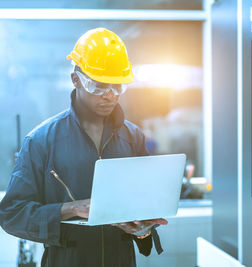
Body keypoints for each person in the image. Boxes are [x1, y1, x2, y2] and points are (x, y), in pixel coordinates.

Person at [0, 28, 168, 267]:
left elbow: (143, 206)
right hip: (67, 259)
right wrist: (73, 209)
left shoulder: (132, 138)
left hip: (120, 260)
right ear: (76, 79)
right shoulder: (41, 141)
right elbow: (12, 214)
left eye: (117, 86)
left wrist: (143, 231)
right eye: (99, 86)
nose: (109, 95)